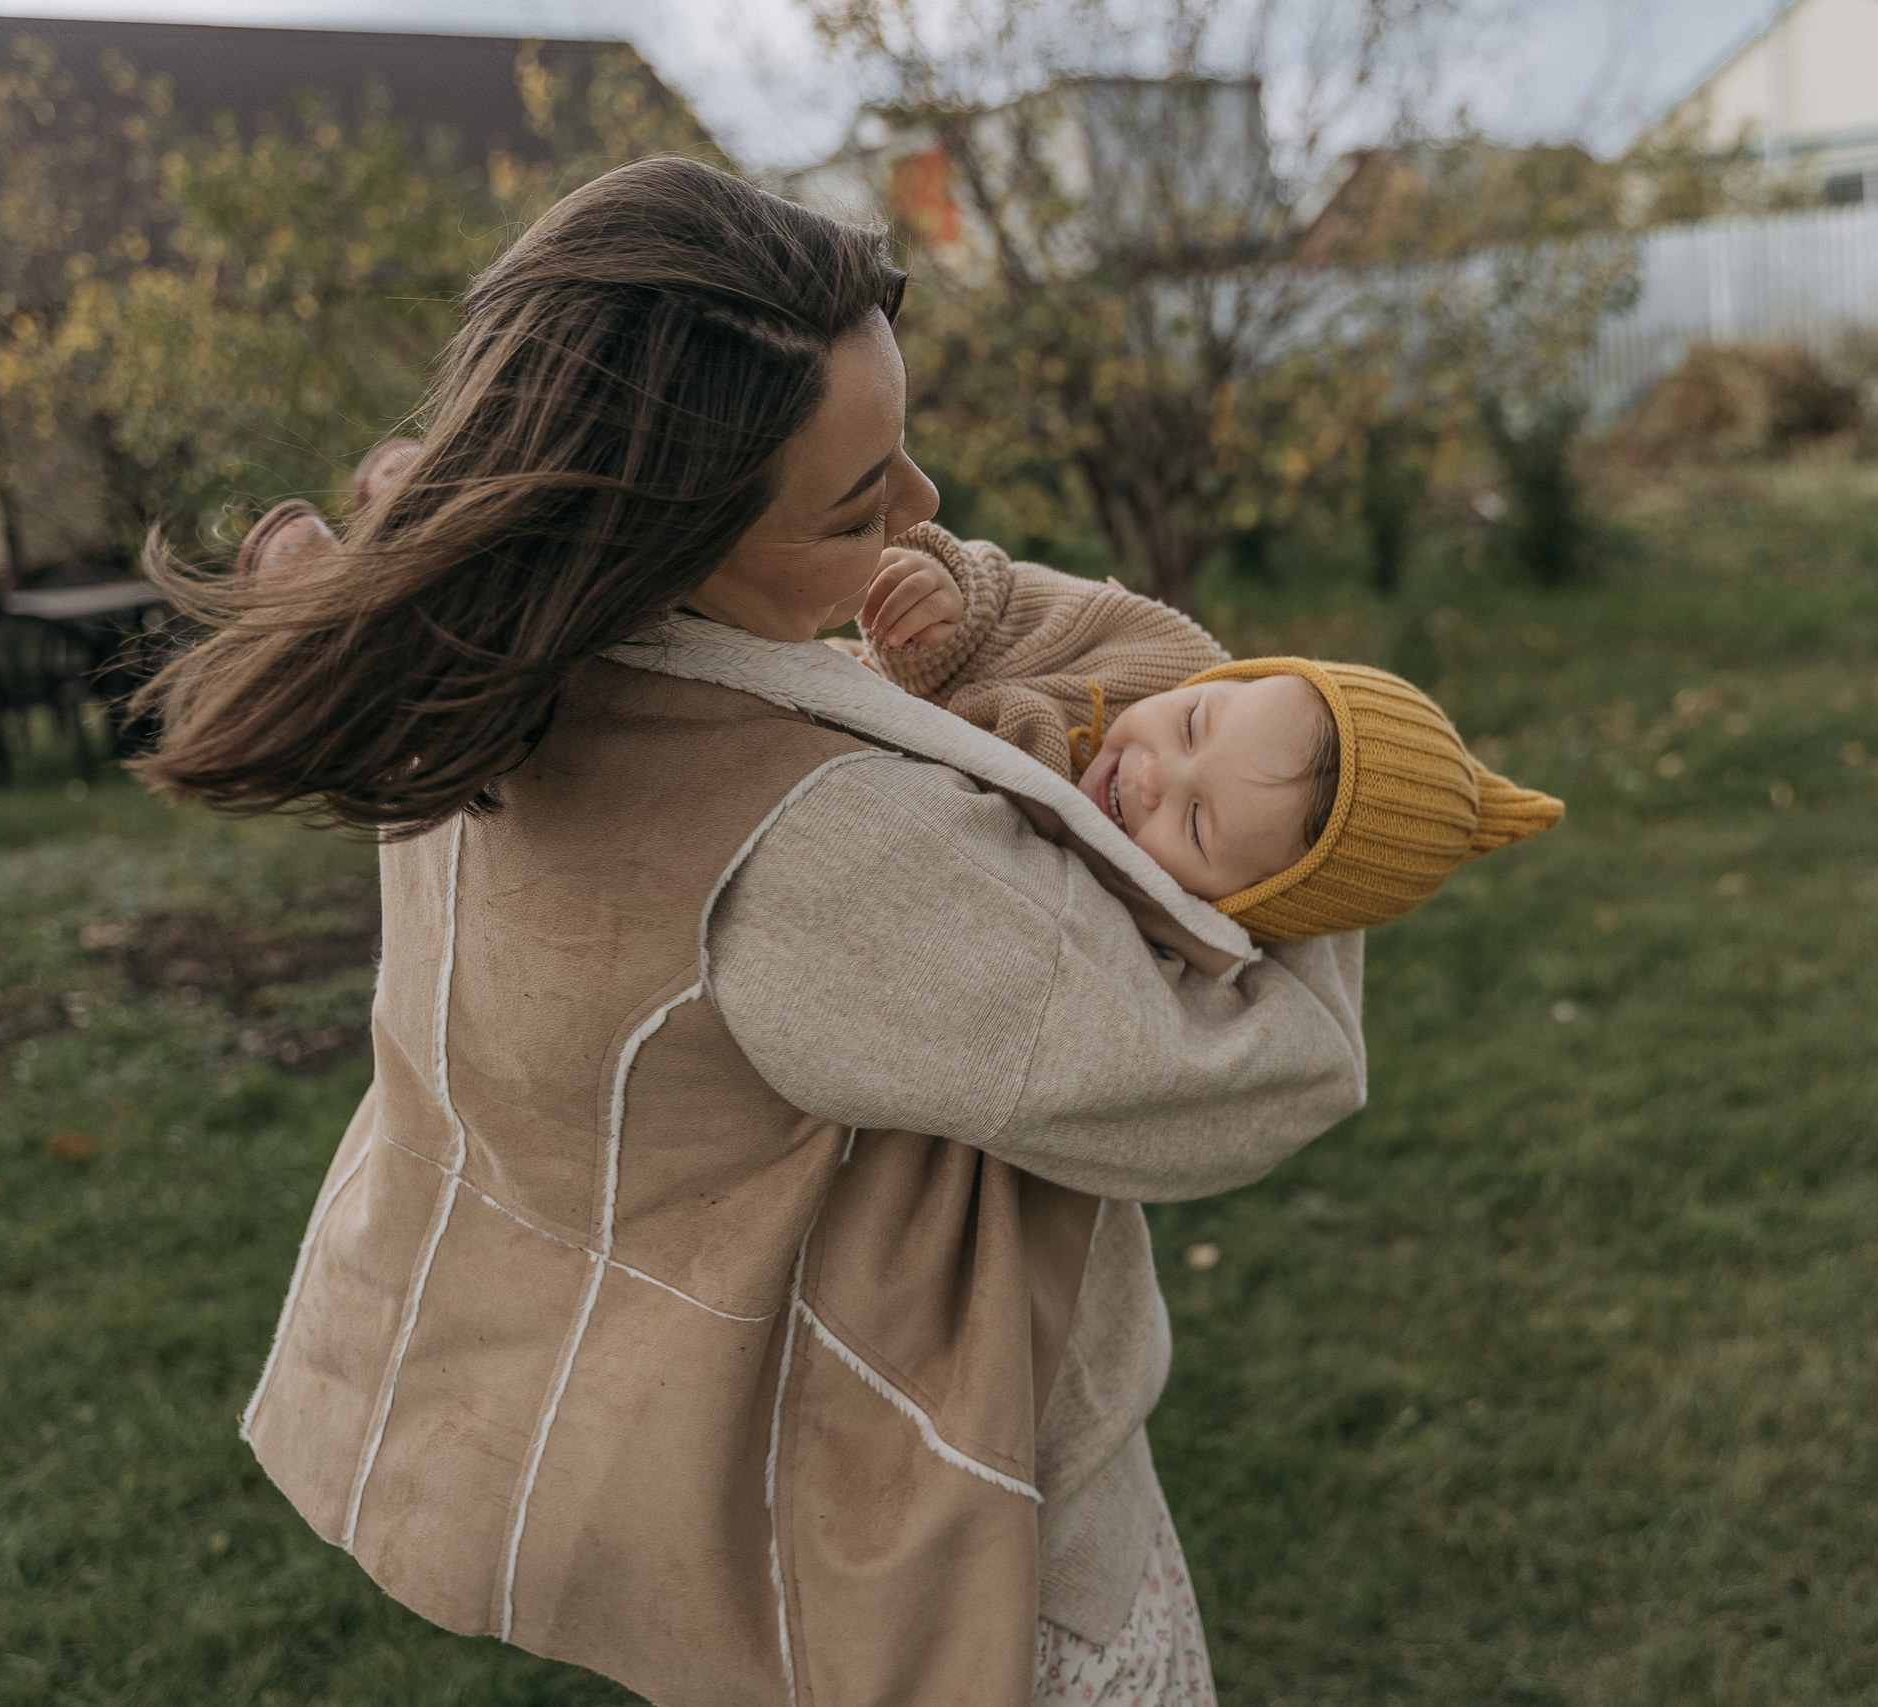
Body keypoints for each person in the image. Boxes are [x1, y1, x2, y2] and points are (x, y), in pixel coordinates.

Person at [135, 158, 1370, 1707]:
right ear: (664, 542)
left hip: (674, 1483)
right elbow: (1267, 1067)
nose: (923, 509)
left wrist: (941, 601)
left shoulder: (473, 678)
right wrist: (1328, 817)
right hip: (936, 1553)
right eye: (863, 498)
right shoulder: (816, 839)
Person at [853, 528, 1563, 938]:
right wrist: (950, 602)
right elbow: (1017, 598)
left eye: (1196, 824)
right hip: (854, 688)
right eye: (1194, 724)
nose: (1154, 776)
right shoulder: (1164, 653)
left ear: (1237, 906)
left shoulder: (1136, 926)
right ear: (1234, 678)